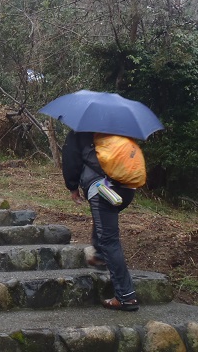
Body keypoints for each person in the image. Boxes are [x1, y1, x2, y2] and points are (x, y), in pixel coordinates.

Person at [62, 130, 139, 311]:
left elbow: (71, 159)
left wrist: (72, 187)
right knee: (105, 227)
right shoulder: (119, 128)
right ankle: (99, 255)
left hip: (102, 188)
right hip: (127, 187)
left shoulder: (81, 130)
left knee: (109, 240)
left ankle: (126, 296)